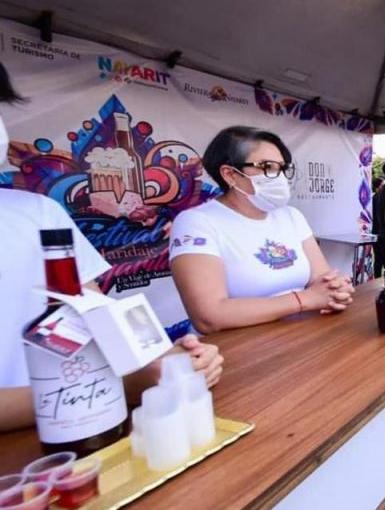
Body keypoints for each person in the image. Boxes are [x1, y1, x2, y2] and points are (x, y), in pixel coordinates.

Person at [0, 63, 223, 431]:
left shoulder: (36, 211)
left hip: (85, 426)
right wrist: (117, 385)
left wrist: (168, 360)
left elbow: (93, 309)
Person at [170, 126, 354, 333]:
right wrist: (305, 300)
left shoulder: (291, 216)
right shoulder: (197, 223)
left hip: (300, 335)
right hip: (235, 346)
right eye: (267, 167)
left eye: (282, 168)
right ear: (230, 174)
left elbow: (322, 277)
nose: (279, 177)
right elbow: (209, 316)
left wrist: (336, 289)